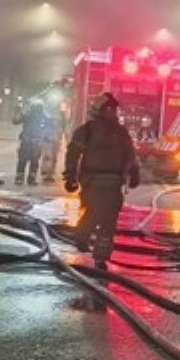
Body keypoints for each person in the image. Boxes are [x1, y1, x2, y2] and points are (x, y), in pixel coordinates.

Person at [63, 93, 140, 279]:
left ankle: (88, 242)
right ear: (102, 110)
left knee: (104, 219)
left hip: (104, 183)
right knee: (103, 218)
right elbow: (73, 153)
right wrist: (70, 176)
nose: (114, 113)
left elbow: (130, 156)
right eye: (111, 110)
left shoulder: (94, 131)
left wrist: (71, 176)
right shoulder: (92, 131)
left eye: (114, 110)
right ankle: (96, 253)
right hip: (97, 183)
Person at [13, 101, 52, 186]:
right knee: (33, 161)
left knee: (23, 160)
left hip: (28, 141)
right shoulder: (43, 116)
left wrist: (19, 112)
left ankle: (21, 178)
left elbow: (15, 121)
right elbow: (50, 127)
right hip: (34, 141)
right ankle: (30, 179)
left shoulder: (28, 115)